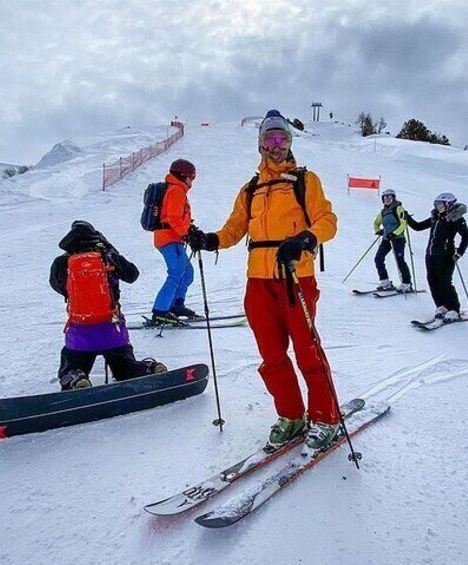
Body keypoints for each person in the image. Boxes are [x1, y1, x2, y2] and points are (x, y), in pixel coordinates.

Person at [186, 109, 341, 451]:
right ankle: (291, 415)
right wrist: (210, 240)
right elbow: (234, 228)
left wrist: (306, 239)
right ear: (260, 145)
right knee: (272, 355)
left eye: (282, 138)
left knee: (307, 352)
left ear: (290, 142)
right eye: (270, 139)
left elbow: (327, 220)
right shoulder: (251, 188)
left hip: (295, 278)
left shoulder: (305, 180)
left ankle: (326, 418)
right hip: (257, 282)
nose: (277, 145)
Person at [50, 220, 165, 390]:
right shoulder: (107, 256)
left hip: (80, 332)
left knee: (72, 364)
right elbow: (132, 275)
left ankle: (74, 378)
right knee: (124, 368)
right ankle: (147, 369)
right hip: (112, 328)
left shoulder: (63, 261)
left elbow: (56, 284)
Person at [406, 192, 468, 321]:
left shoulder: (455, 218)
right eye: (436, 205)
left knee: (445, 282)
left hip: (446, 255)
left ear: (449, 205)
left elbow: (466, 236)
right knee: (432, 280)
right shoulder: (435, 217)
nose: (438, 208)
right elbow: (418, 227)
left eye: (441, 205)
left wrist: (459, 252)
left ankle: (453, 309)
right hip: (430, 254)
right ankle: (441, 306)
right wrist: (407, 218)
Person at [151, 159, 198, 325]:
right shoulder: (176, 190)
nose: (192, 181)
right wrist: (186, 234)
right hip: (169, 238)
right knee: (177, 273)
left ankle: (176, 305)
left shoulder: (176, 190)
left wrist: (190, 228)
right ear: (183, 175)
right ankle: (160, 311)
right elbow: (172, 218)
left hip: (172, 237)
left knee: (187, 273)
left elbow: (178, 217)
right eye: (191, 177)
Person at [372, 188, 413, 292]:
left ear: (393, 198)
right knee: (378, 258)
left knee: (400, 261)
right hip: (387, 239)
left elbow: (404, 224)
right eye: (385, 198)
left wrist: (394, 233)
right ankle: (385, 281)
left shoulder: (399, 208)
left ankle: (406, 283)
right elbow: (376, 222)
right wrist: (378, 231)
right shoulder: (384, 211)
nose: (387, 199)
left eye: (389, 197)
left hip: (398, 239)